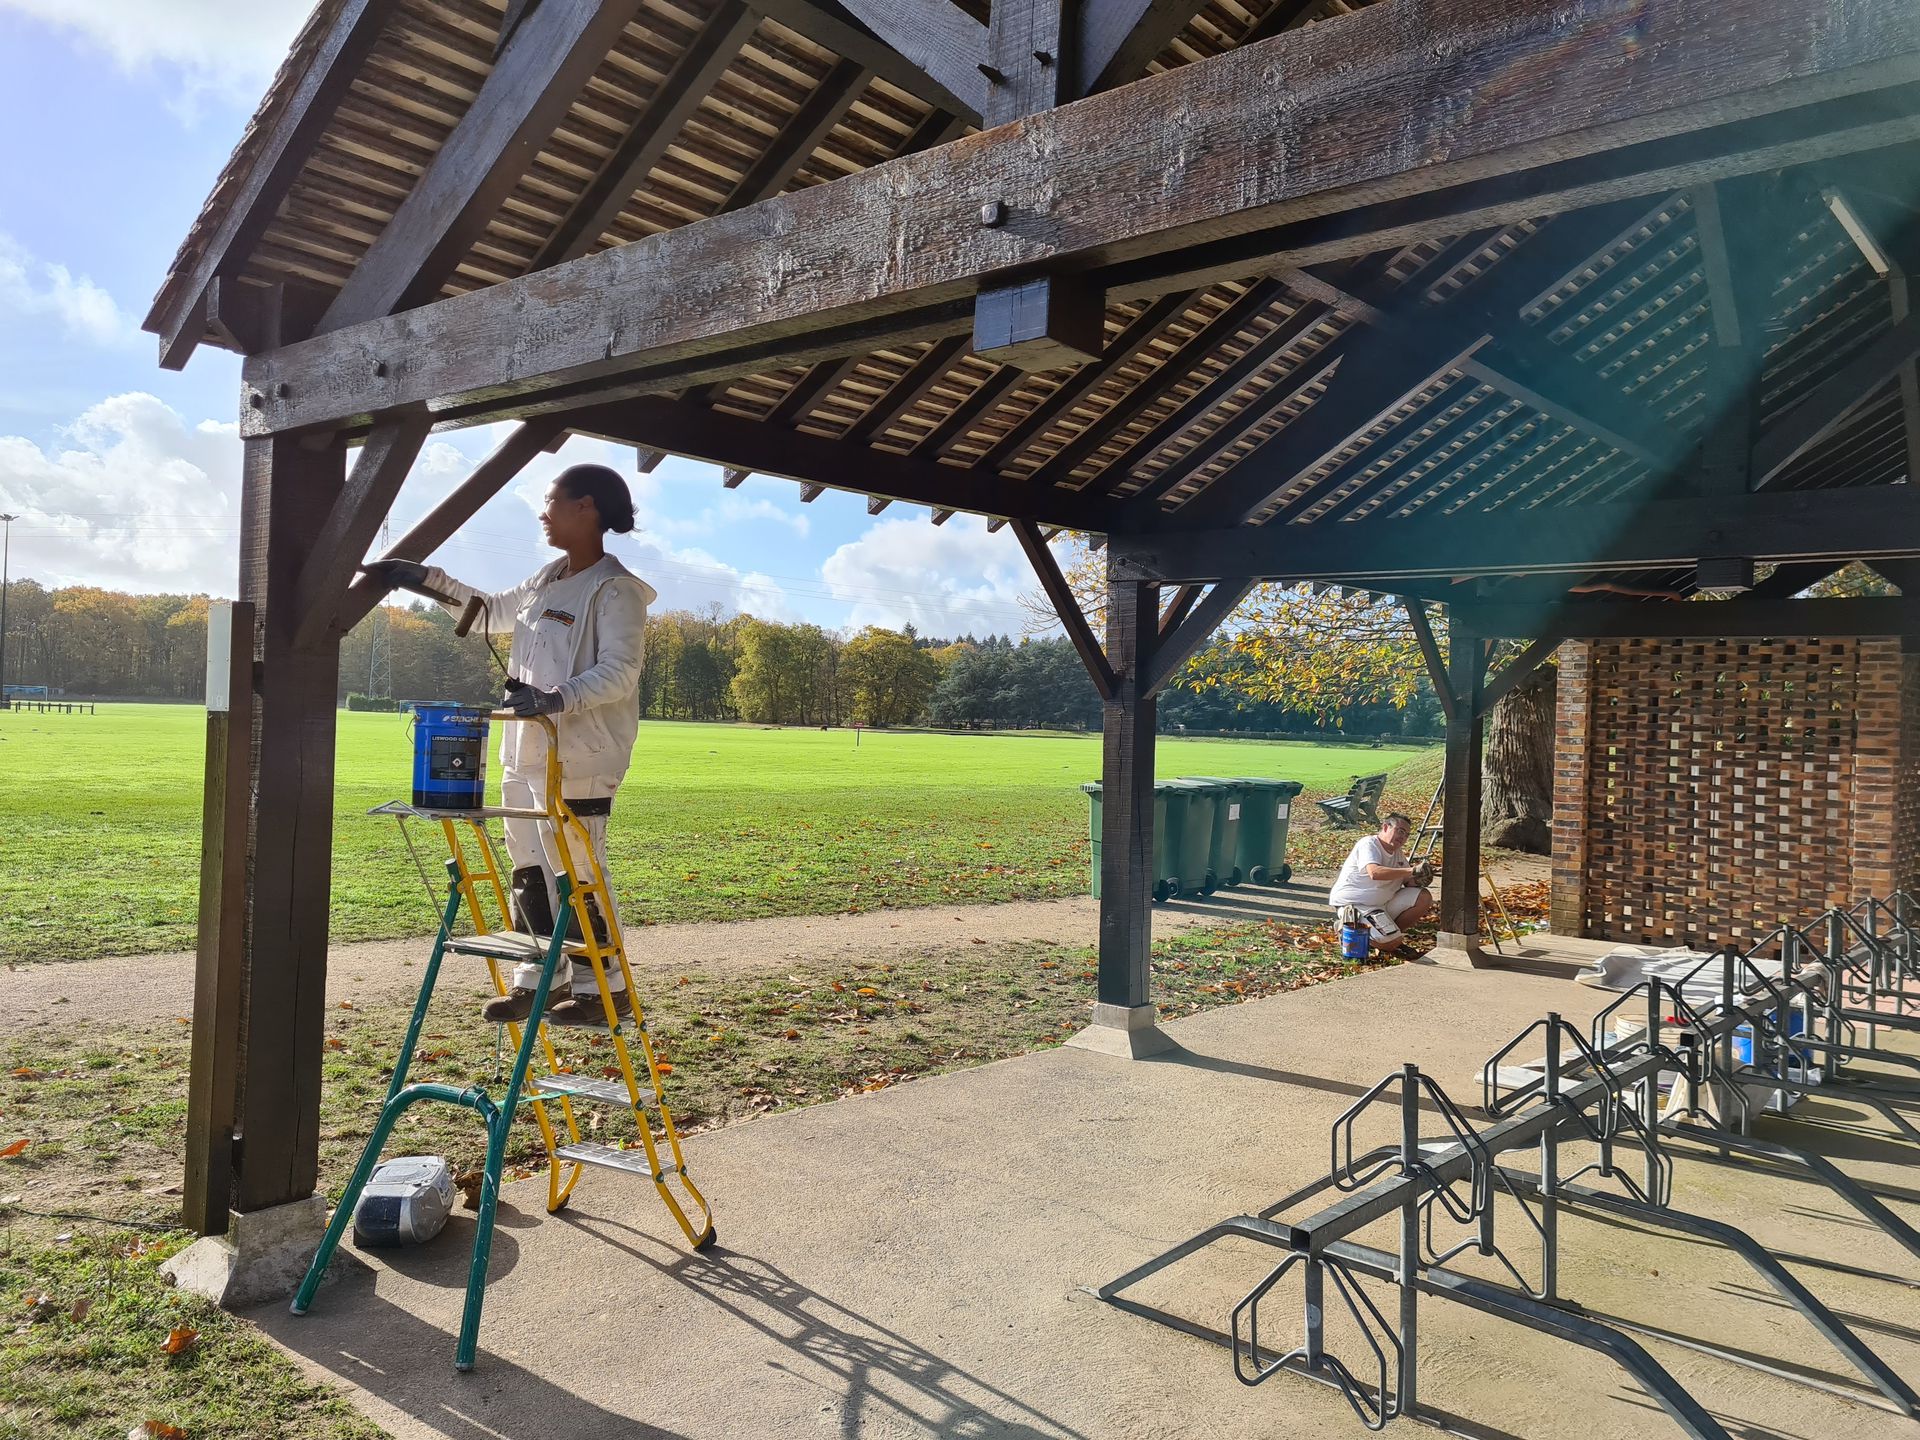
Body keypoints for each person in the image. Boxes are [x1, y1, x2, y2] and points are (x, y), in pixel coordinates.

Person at [366, 463, 655, 1026]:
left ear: (586, 508)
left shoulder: (616, 590)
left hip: (581, 757)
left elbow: (620, 673)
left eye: (551, 501)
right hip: (523, 750)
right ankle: (539, 979)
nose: (542, 513)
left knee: (577, 868)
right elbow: (485, 614)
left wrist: (555, 698)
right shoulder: (544, 581)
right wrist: (421, 577)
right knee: (528, 865)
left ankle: (607, 989)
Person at [1327, 811, 1433, 953]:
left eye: (1406, 835)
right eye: (1400, 831)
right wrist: (1412, 871)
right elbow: (1375, 873)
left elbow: (1409, 882)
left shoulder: (1398, 853)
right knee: (1392, 943)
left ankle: (1386, 935)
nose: (1403, 837)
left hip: (1381, 905)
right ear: (1385, 827)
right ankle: (1349, 929)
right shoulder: (1369, 844)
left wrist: (1424, 877)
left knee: (1423, 897)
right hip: (1356, 904)